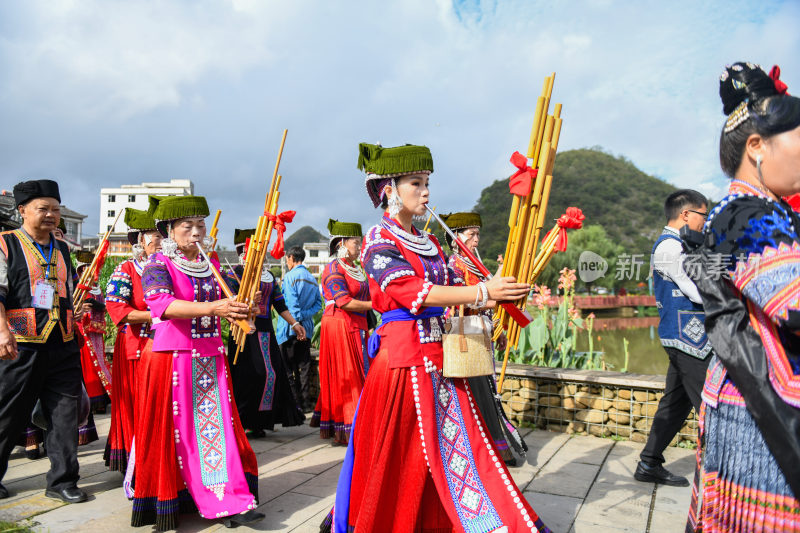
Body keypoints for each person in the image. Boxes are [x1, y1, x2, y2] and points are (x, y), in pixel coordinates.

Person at [322, 143, 550, 532]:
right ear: (389, 190)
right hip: (402, 363)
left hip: (440, 358)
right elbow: (412, 293)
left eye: (427, 182)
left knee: (456, 448)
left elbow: (449, 297)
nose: (426, 191)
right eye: (416, 182)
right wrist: (483, 293)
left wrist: (488, 300)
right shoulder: (380, 240)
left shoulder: (429, 243)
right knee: (405, 452)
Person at [686, 62, 800, 532]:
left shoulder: (742, 211)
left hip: (741, 389)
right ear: (756, 146)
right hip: (760, 404)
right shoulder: (748, 215)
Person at [134, 195, 262, 530]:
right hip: (175, 359)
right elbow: (162, 305)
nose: (195, 232)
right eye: (186, 226)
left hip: (211, 357)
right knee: (183, 435)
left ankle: (226, 498)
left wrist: (245, 306)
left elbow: (229, 303)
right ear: (169, 231)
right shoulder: (157, 264)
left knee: (215, 432)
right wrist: (214, 308)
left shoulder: (213, 264)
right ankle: (185, 494)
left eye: (200, 225)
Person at [0, 179, 87, 503]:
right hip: (19, 344)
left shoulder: (63, 248)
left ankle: (63, 481)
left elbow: (69, 288)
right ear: (22, 210)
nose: (51, 215)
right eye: (43, 209)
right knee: (7, 412)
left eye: (55, 209)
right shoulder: (6, 243)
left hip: (61, 342)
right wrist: (2, 331)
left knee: (65, 413)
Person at [634, 190, 712, 487]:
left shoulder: (679, 244)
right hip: (687, 337)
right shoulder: (670, 247)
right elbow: (696, 290)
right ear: (686, 215)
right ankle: (723, 474)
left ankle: (649, 463)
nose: (704, 222)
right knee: (710, 404)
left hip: (686, 337)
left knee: (676, 403)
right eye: (703, 215)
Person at [443, 211, 528, 466]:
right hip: (465, 335)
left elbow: (487, 304)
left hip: (480, 333)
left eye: (478, 234)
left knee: (487, 393)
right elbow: (457, 301)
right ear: (456, 238)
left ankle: (492, 449)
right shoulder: (454, 266)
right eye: (471, 235)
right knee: (472, 396)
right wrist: (492, 299)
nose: (476, 240)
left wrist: (498, 331)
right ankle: (477, 453)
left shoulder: (476, 265)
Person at [225, 228, 305, 438]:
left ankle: (261, 421)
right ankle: (243, 420)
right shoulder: (235, 273)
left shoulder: (268, 276)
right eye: (256, 248)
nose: (261, 252)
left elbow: (279, 303)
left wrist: (295, 323)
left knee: (271, 374)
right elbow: (230, 303)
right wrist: (249, 301)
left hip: (266, 331)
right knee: (251, 374)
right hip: (245, 331)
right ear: (244, 250)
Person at [103, 208, 161, 473]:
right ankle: (137, 462)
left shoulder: (167, 268)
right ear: (140, 239)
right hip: (137, 347)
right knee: (138, 404)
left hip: (166, 347)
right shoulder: (126, 269)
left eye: (164, 233)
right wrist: (157, 314)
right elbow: (117, 308)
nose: (161, 239)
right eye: (155, 234)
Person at [310, 219, 371, 445]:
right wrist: (378, 305)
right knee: (348, 377)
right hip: (339, 326)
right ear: (342, 243)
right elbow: (344, 301)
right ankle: (348, 427)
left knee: (361, 373)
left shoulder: (356, 269)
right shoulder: (332, 269)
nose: (360, 246)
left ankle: (360, 423)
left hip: (358, 326)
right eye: (356, 242)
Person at [277, 246, 320, 412]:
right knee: (304, 366)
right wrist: (304, 316)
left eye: (287, 260)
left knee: (289, 369)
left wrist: (296, 323)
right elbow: (318, 304)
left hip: (290, 328)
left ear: (291, 258)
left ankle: (295, 405)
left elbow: (292, 305)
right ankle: (306, 403)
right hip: (307, 328)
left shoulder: (290, 277)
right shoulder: (311, 278)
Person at [74, 250, 112, 414]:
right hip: (84, 329)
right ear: (82, 270)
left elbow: (104, 307)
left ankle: (101, 399)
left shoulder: (96, 288)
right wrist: (81, 308)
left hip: (97, 330)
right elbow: (74, 306)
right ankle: (91, 399)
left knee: (100, 362)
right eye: (87, 268)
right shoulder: (78, 287)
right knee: (89, 365)